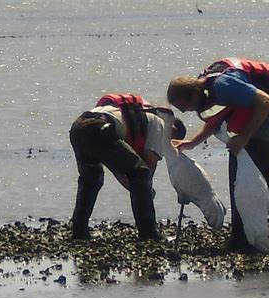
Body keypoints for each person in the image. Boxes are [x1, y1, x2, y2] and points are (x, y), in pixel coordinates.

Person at [167, 57, 269, 250]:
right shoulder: (205, 89)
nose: (185, 112)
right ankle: (265, 235)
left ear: (193, 95)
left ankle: (262, 238)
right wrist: (193, 142)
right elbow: (217, 118)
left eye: (183, 107)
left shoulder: (223, 86)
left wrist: (243, 137)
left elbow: (264, 101)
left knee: (253, 174)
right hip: (268, 110)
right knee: (254, 171)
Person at [69, 93, 186, 241]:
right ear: (172, 128)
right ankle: (148, 233)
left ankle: (79, 232)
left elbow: (120, 170)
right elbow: (147, 168)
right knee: (141, 174)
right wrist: (146, 192)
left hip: (79, 126)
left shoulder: (137, 114)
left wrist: (138, 189)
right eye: (171, 139)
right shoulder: (160, 123)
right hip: (103, 129)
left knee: (91, 179)